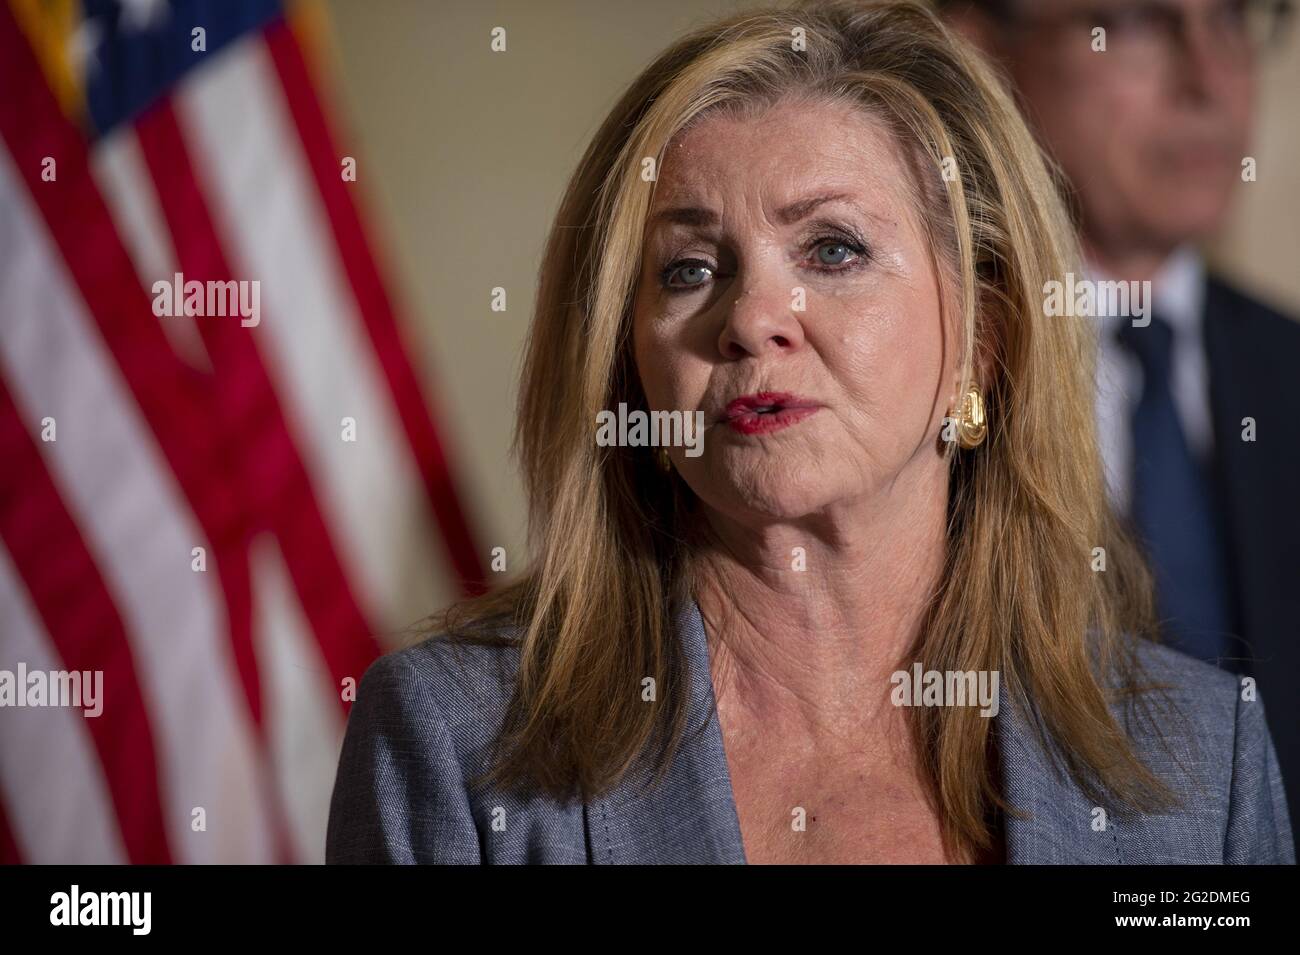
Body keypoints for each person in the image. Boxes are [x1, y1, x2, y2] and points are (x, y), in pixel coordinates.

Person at [325, 0, 1293, 864]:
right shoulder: (458, 741)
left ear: (982, 344)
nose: (752, 319)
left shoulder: (1205, 763)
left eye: (832, 250)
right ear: (626, 364)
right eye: (689, 269)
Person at [942, 0, 1300, 853]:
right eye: (1139, 20)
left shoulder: (1287, 366)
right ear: (979, 50)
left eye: (1233, 17)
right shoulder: (904, 379)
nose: (1209, 80)